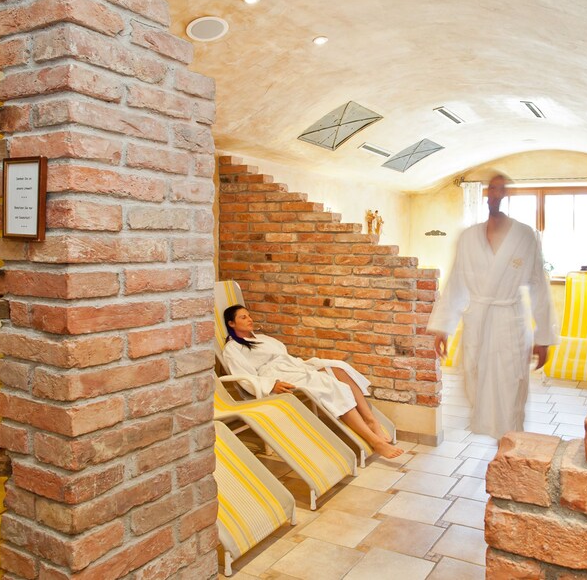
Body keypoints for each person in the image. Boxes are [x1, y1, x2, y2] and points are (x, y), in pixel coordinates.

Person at [428, 173, 558, 439]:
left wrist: (543, 337)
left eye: (502, 189)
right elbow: (456, 284)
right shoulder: (468, 237)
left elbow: (539, 287)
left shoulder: (524, 236)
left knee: (510, 392)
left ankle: (508, 445)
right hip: (478, 324)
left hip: (510, 324)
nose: (496, 194)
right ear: (486, 195)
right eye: (492, 189)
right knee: (477, 387)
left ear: (508, 195)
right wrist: (443, 327)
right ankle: (495, 440)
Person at [222, 304, 404, 459]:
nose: (250, 319)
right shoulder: (233, 348)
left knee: (338, 368)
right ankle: (375, 441)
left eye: (249, 315)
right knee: (331, 385)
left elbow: (284, 355)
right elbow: (244, 375)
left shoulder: (262, 339)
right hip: (276, 375)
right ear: (231, 323)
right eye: (243, 317)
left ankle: (371, 421)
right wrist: (271, 384)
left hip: (293, 366)